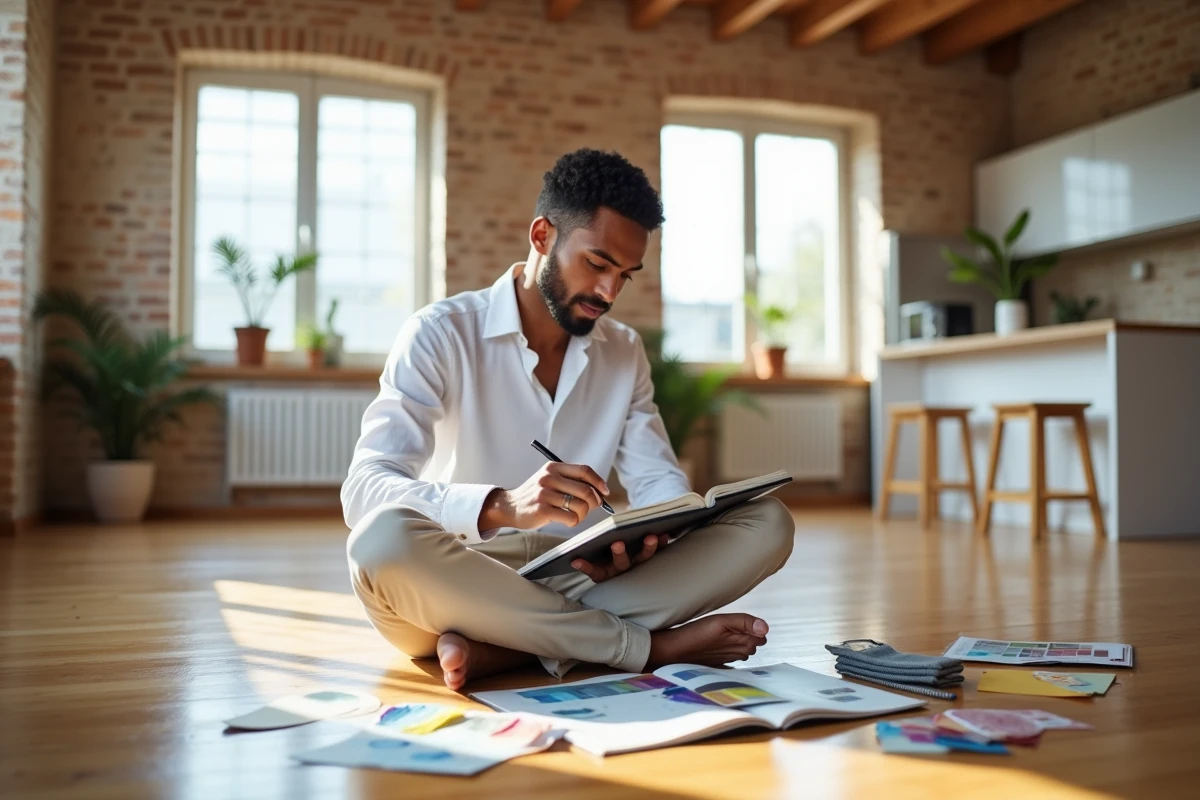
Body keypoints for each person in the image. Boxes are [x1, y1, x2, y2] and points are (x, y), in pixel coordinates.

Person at [343, 148, 795, 691]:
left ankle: (505, 649)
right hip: (461, 576)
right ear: (541, 236)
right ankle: (645, 647)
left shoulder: (624, 351)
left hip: (586, 575)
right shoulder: (439, 333)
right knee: (380, 541)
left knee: (769, 523)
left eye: (625, 275)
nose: (609, 293)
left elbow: (656, 480)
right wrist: (501, 506)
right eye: (598, 264)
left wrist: (656, 535)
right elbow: (364, 489)